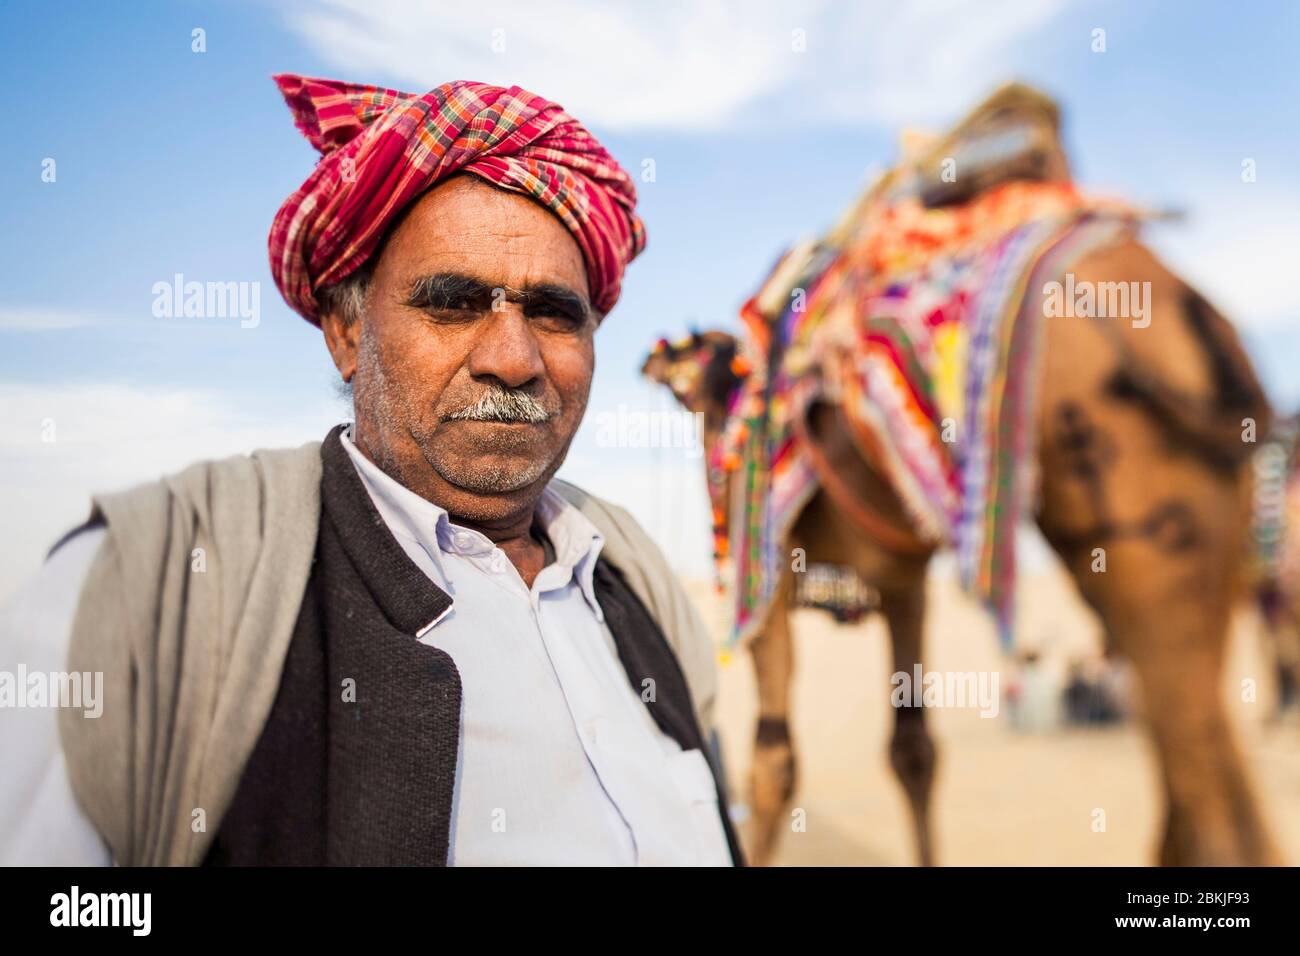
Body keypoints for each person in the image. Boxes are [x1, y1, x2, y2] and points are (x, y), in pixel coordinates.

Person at [0, 74, 741, 867]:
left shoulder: (633, 583)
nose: (513, 359)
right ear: (347, 331)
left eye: (555, 314)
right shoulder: (155, 591)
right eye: (453, 303)